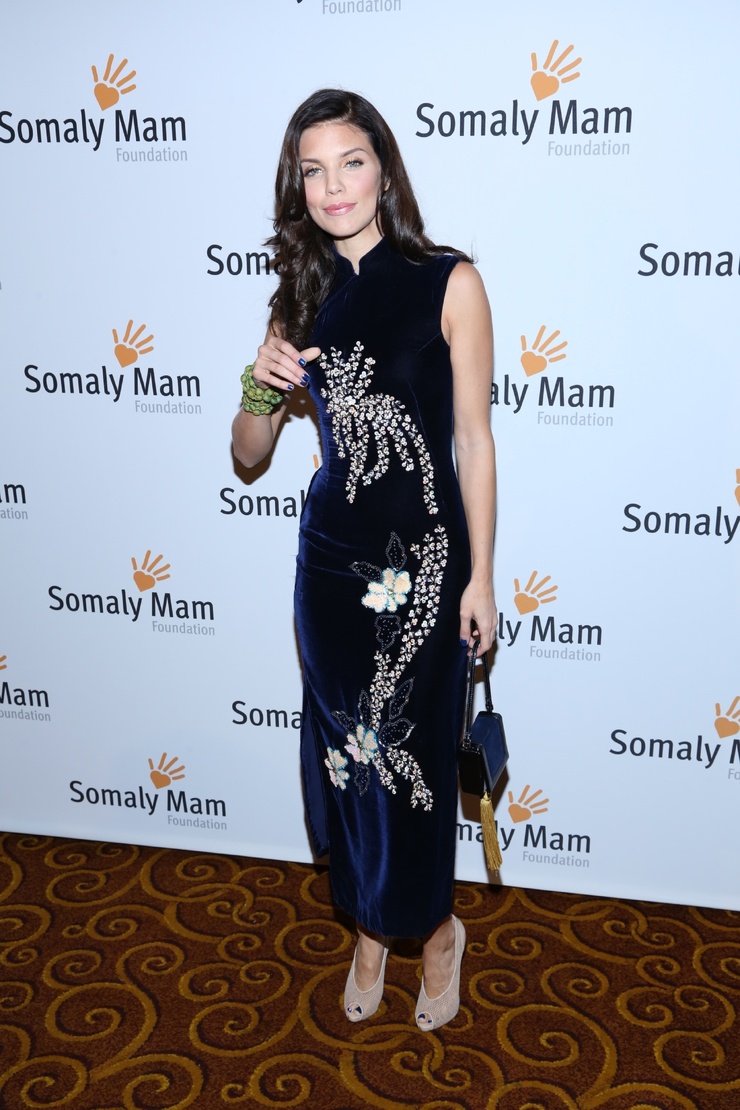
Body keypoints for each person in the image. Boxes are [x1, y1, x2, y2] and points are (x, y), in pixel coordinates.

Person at [232, 89, 497, 1031]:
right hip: (331, 566)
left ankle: (436, 932)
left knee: (409, 754)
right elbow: (249, 453)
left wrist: (482, 577)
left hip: (424, 563)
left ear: (383, 169)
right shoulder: (300, 299)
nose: (333, 184)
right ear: (297, 186)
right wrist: (259, 389)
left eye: (351, 161)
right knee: (344, 754)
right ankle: (371, 929)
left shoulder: (448, 281)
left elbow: (474, 440)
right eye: (313, 169)